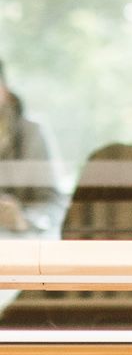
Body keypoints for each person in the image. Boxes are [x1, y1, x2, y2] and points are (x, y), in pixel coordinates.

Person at [0, 57, 64, 237]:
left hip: (16, 251)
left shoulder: (31, 134)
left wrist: (22, 219)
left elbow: (53, 206)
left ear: (4, 91)